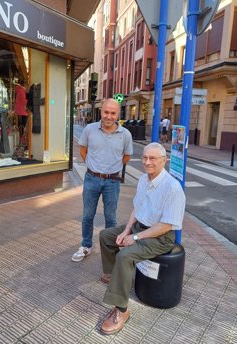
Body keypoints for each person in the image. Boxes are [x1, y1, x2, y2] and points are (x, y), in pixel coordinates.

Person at [99, 142, 185, 335]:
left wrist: (135, 237)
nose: (147, 162)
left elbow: (166, 225)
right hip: (140, 227)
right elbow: (137, 208)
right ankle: (114, 276)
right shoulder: (143, 180)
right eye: (145, 157)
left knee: (125, 256)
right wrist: (126, 231)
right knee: (106, 236)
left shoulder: (173, 188)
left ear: (164, 160)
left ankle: (121, 310)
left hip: (160, 236)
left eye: (153, 158)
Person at [72, 98, 133, 262]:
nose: (109, 116)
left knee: (110, 217)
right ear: (101, 112)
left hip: (112, 181)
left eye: (113, 113)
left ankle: (109, 250)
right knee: (87, 215)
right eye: (106, 112)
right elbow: (83, 150)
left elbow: (127, 156)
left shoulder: (125, 134)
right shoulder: (90, 129)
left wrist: (111, 168)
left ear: (118, 114)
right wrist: (93, 166)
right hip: (92, 178)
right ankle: (86, 246)